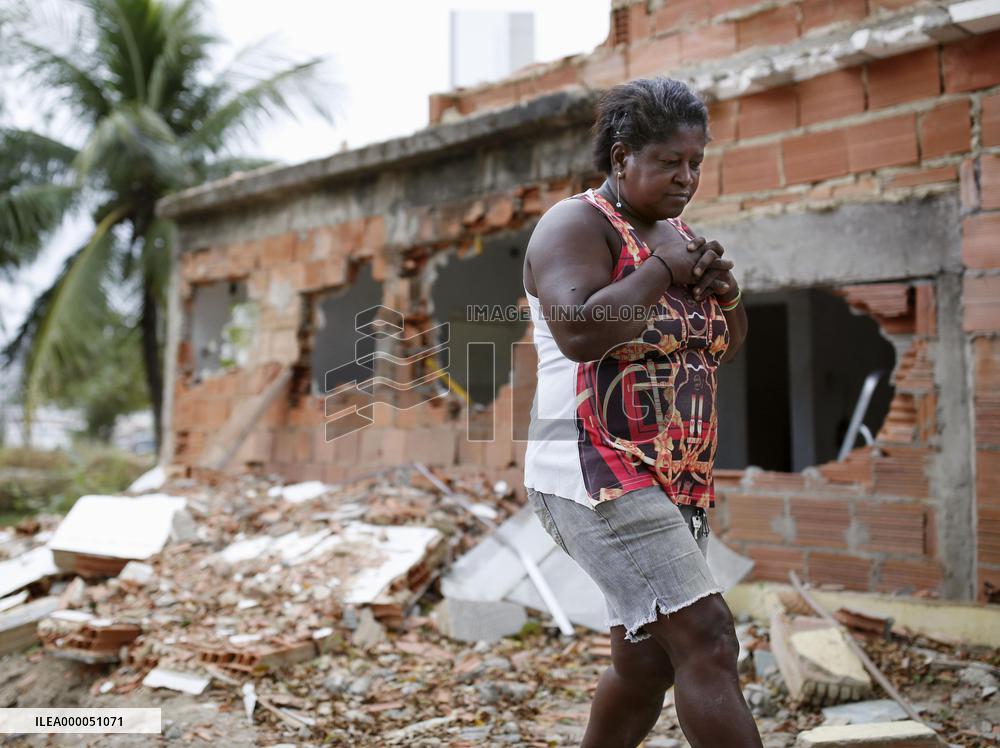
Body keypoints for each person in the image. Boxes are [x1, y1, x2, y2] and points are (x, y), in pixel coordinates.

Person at [521, 76, 759, 748]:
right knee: (709, 639)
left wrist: (726, 293)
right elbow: (580, 331)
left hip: (672, 476)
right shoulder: (576, 224)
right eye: (669, 163)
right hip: (594, 471)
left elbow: (723, 348)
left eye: (696, 163)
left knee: (647, 660)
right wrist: (662, 270)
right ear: (622, 157)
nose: (687, 178)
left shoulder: (675, 235)